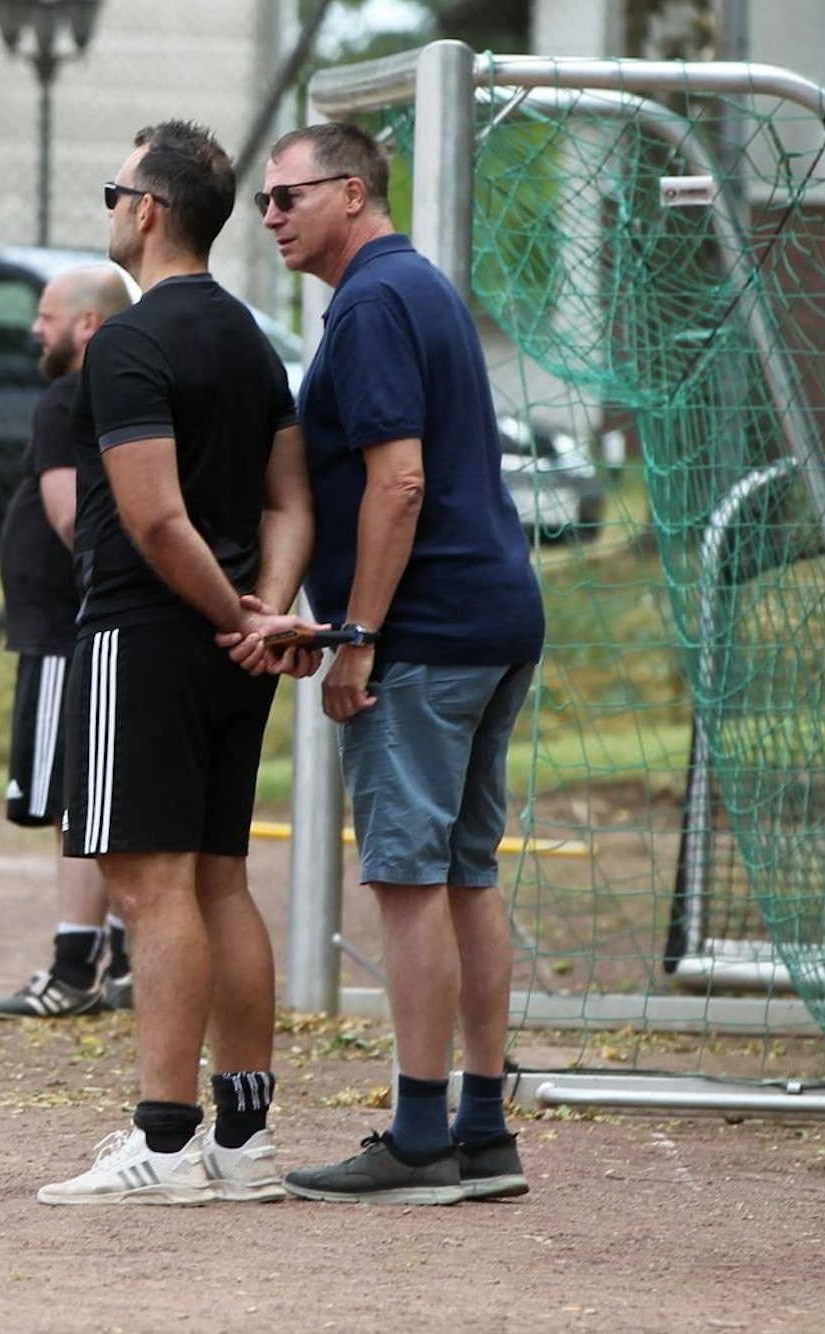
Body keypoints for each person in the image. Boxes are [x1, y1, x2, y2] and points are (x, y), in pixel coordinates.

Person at [36, 119, 321, 1206]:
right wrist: (264, 614)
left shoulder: (128, 340)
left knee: (149, 887)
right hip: (229, 651)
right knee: (219, 880)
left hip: (145, 635)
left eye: (116, 193)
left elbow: (154, 521)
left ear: (148, 211)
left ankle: (163, 1145)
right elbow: (289, 502)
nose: (111, 209)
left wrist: (234, 615)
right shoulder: (249, 338)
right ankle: (242, 1145)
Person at [259, 122, 545, 1204]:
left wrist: (357, 633)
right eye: (265, 202)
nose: (272, 217)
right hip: (493, 613)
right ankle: (483, 1129)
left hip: (422, 631)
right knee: (466, 873)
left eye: (287, 197)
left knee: (408, 878)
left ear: (351, 192)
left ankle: (420, 1136)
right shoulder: (418, 284)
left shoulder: (372, 300)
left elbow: (401, 480)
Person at [0, 265, 134, 1021]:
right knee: (100, 795)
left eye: (46, 316)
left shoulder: (66, 397)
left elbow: (75, 519)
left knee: (74, 802)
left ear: (86, 325)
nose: (34, 330)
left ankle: (74, 968)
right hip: (85, 626)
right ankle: (128, 960)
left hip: (62, 631)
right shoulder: (123, 393)